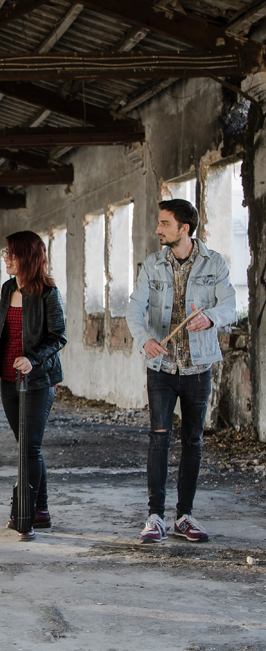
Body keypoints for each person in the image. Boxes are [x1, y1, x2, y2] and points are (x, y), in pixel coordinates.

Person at [128, 199, 236, 544]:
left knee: (193, 440)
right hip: (160, 366)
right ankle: (155, 517)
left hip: (198, 366)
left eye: (164, 224)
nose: (158, 229)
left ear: (183, 229)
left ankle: (184, 516)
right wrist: (145, 340)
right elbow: (134, 308)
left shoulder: (214, 262)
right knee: (159, 437)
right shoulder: (152, 264)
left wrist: (211, 318)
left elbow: (230, 305)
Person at [0, 231, 66, 541]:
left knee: (29, 446)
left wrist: (33, 359)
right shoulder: (7, 289)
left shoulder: (48, 293)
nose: (6, 258)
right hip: (8, 378)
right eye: (5, 253)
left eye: (11, 254)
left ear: (26, 256)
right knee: (25, 446)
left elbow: (59, 337)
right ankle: (39, 509)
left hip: (38, 380)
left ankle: (25, 511)